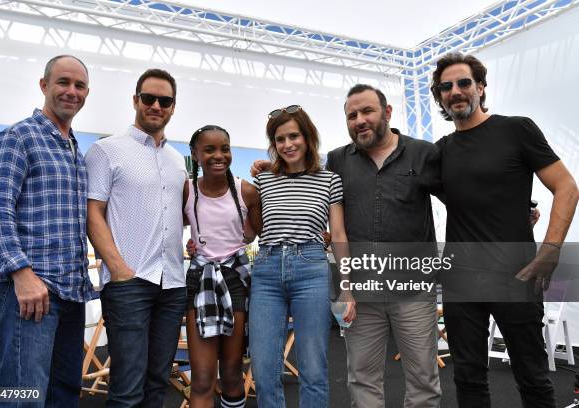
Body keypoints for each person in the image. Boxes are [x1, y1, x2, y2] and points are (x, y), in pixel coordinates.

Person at [251, 86, 442, 408]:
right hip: (311, 278)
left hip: (400, 282)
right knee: (355, 379)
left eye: (367, 111)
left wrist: (516, 211)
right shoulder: (320, 166)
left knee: (420, 378)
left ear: (387, 112)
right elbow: (260, 217)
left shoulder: (416, 154)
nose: (360, 120)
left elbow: (339, 233)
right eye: (352, 115)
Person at [430, 52, 578, 408]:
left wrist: (551, 249)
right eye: (446, 87)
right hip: (461, 281)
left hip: (516, 276)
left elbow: (566, 187)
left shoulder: (516, 129)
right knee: (467, 379)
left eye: (464, 82)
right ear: (439, 98)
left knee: (532, 376)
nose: (456, 91)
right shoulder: (438, 153)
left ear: (480, 87)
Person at [0, 54, 93, 407]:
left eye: (80, 85)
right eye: (63, 82)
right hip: (31, 292)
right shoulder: (17, 137)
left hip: (71, 292)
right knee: (24, 396)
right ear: (44, 85)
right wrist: (21, 274)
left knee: (63, 394)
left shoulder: (74, 149)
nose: (71, 91)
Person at [85, 68, 187, 407]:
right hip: (129, 283)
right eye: (149, 98)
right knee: (127, 389)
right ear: (135, 101)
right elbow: (92, 212)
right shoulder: (106, 150)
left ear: (173, 107)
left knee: (158, 383)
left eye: (165, 100)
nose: (156, 105)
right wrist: (118, 268)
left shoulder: (178, 161)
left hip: (172, 284)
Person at [248, 105, 353, 408]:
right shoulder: (264, 180)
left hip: (311, 268)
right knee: (264, 369)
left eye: (293, 136)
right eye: (280, 139)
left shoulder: (329, 179)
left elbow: (339, 234)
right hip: (266, 269)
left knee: (313, 369)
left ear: (307, 137)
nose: (287, 144)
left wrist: (346, 287)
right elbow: (251, 229)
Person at [183, 125, 261, 408]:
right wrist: (193, 245)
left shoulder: (247, 191)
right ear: (195, 154)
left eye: (224, 148)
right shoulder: (187, 190)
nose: (219, 155)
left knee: (231, 373)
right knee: (202, 378)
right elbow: (169, 224)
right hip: (200, 279)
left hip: (235, 279)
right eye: (209, 149)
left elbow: (257, 232)